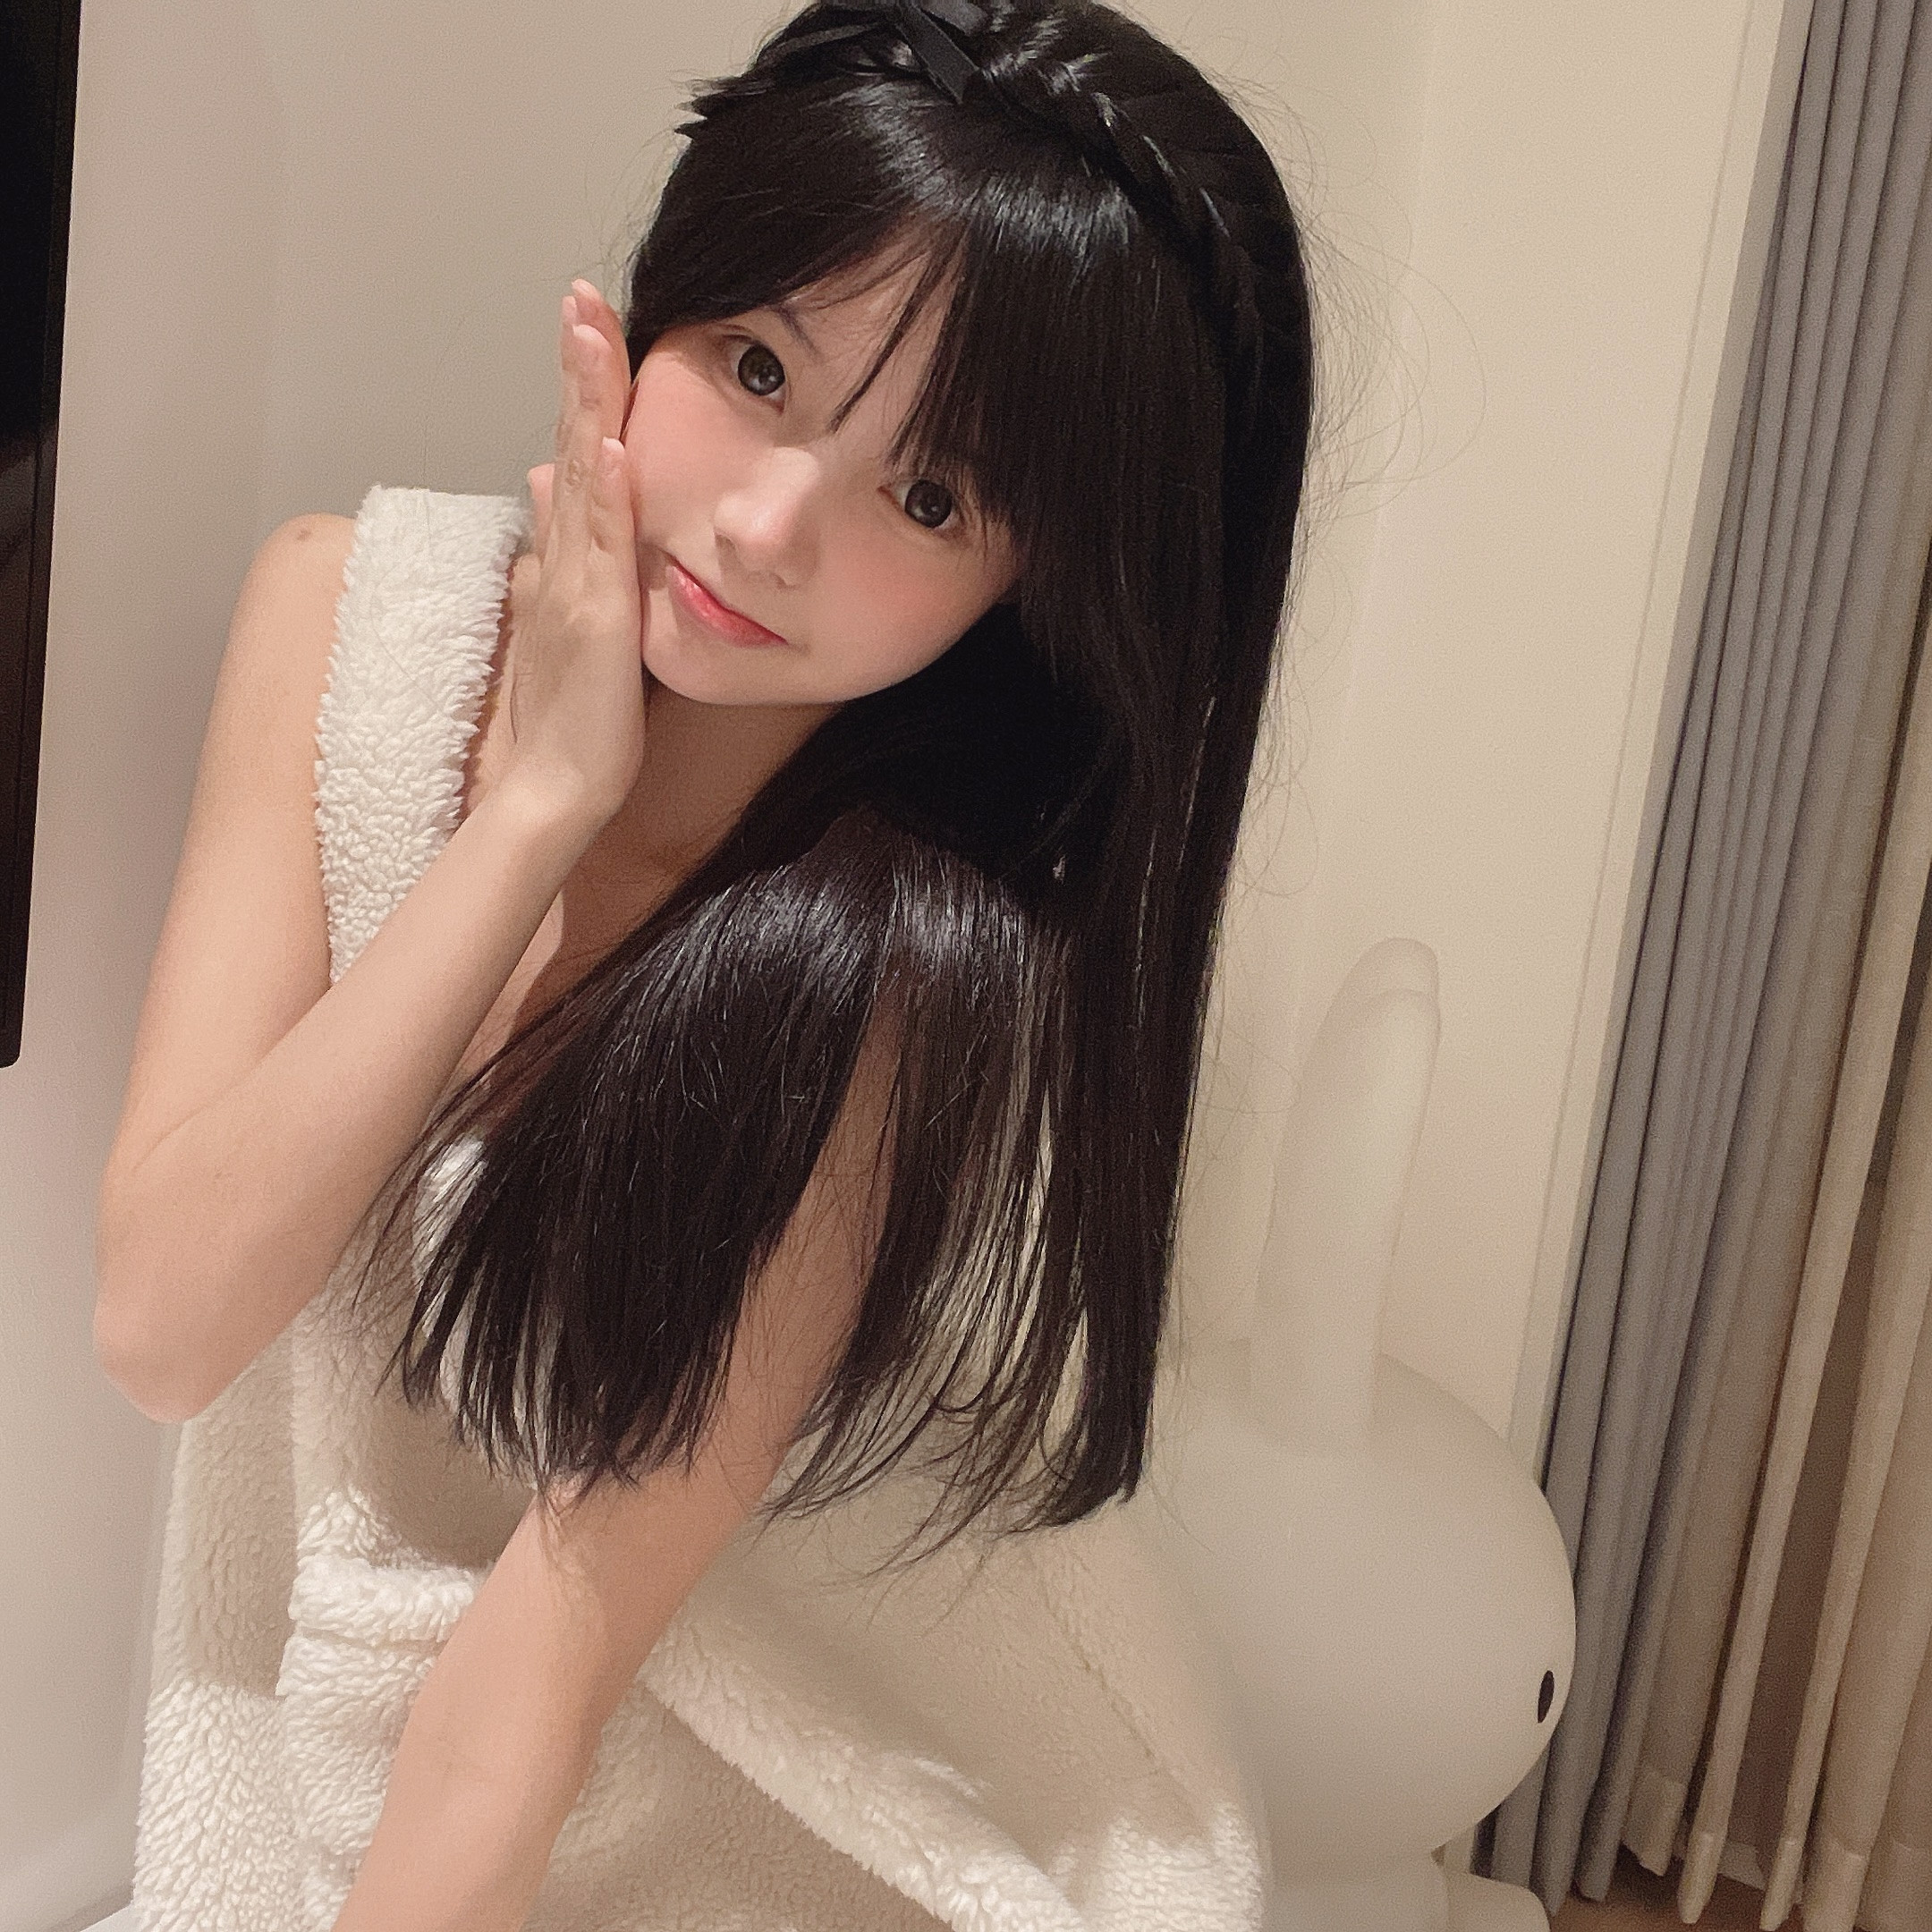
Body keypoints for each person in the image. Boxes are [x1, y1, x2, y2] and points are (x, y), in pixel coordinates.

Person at [94, 1, 1318, 1925]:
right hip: (335, 1736)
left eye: (930, 497)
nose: (764, 527)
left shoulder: (894, 968)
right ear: (648, 306)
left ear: (1030, 594)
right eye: (759, 367)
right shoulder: (344, 621)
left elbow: (530, 1699)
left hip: (735, 1811)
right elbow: (166, 1328)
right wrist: (532, 815)